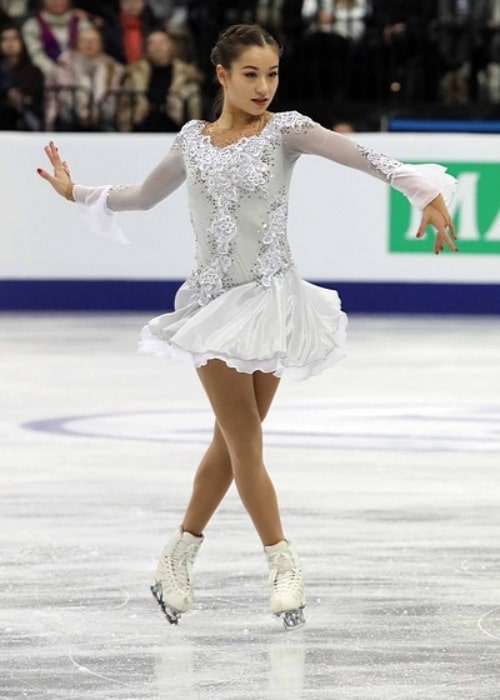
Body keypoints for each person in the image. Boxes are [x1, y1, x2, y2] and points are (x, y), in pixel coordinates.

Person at [37, 23, 457, 630]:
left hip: (273, 302)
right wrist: (77, 192)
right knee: (245, 442)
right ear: (222, 76)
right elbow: (141, 196)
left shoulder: (286, 130)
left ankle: (177, 556)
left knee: (231, 440)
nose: (264, 86)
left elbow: (365, 156)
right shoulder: (192, 140)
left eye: (273, 74)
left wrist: (423, 190)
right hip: (213, 310)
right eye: (251, 74)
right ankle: (282, 563)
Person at [117, 28, 201, 133]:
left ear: (171, 46)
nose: (158, 47)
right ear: (146, 48)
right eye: (152, 43)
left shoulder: (186, 76)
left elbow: (195, 112)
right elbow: (124, 109)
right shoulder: (134, 75)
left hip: (176, 132)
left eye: (162, 42)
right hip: (140, 132)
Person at [44, 26, 124, 131]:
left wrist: (95, 111)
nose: (89, 44)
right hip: (68, 115)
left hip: (102, 117)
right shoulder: (64, 63)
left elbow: (113, 96)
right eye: (84, 40)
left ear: (101, 44)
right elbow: (62, 94)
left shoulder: (112, 67)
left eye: (93, 41)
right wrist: (82, 112)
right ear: (77, 43)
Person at [0, 23, 44, 129]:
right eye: (4, 39)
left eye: (14, 39)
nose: (9, 43)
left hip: (27, 129)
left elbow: (39, 104)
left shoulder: (34, 72)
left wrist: (23, 99)